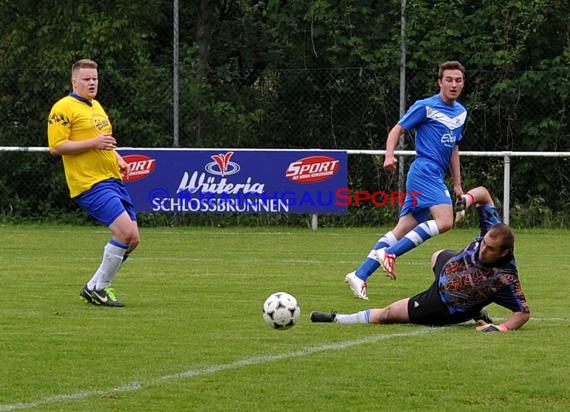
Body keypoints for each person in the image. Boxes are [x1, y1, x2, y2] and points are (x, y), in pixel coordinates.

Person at [317, 186, 530, 332]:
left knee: (388, 314)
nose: (483, 249)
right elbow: (483, 193)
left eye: (490, 249)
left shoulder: (506, 278)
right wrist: (465, 201)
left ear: (504, 253)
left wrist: (500, 328)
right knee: (437, 254)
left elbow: (522, 312)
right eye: (483, 243)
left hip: (443, 303)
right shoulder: (492, 230)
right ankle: (475, 306)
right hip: (449, 267)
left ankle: (337, 318)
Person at [346, 60, 467, 300]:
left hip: (432, 174)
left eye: (458, 80)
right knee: (445, 222)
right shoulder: (425, 106)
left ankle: (359, 275)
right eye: (449, 80)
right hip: (425, 170)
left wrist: (457, 184)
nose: (454, 84)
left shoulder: (461, 112)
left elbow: (454, 149)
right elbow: (396, 130)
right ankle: (389, 254)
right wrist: (389, 155)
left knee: (403, 228)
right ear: (439, 82)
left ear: (463, 83)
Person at [47, 58, 139, 307]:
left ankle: (93, 286)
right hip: (89, 182)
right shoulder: (63, 108)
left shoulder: (96, 106)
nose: (91, 83)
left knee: (133, 239)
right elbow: (57, 147)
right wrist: (95, 144)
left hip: (111, 178)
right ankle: (100, 287)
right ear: (74, 81)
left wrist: (117, 158)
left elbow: (102, 141)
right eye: (86, 79)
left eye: (95, 79)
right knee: (124, 232)